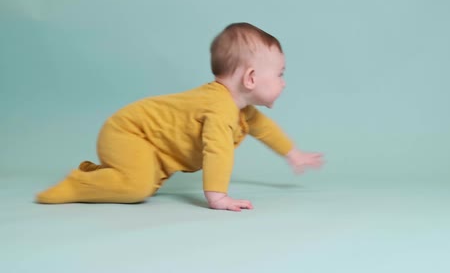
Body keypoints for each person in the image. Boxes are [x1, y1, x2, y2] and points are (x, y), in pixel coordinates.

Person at [36, 22, 324, 212]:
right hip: (127, 132)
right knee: (136, 188)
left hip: (150, 145)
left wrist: (293, 153)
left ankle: (99, 176)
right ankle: (77, 184)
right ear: (250, 78)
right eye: (280, 74)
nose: (283, 82)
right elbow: (217, 151)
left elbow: (264, 129)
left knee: (144, 182)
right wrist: (217, 195)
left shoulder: (241, 110)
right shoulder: (220, 109)